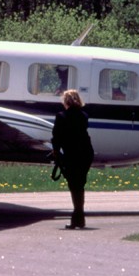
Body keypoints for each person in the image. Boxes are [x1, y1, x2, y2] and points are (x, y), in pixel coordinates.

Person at [52, 89, 94, 229]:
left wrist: (56, 151)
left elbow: (56, 137)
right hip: (86, 153)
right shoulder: (84, 116)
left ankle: (78, 218)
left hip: (72, 154)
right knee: (79, 185)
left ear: (66, 101)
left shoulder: (61, 116)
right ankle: (78, 218)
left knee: (74, 185)